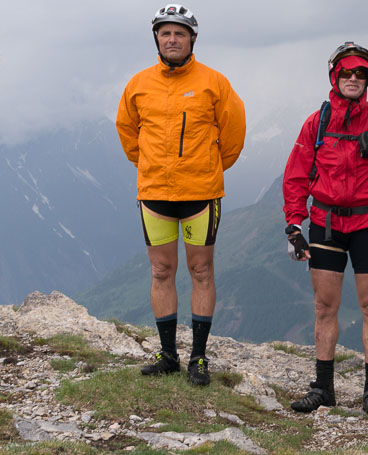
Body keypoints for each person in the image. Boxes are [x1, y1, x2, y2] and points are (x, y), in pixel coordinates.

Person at [282, 42, 368, 417]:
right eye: (347, 73)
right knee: (325, 306)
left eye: (360, 74)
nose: (353, 79)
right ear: (334, 76)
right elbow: (296, 176)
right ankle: (323, 387)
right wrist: (294, 224)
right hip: (325, 224)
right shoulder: (317, 123)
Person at [116, 4, 246, 387]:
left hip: (201, 194)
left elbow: (234, 134)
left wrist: (208, 168)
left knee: (201, 271)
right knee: (161, 270)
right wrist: (151, 167)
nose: (172, 39)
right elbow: (128, 133)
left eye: (179, 33)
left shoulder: (214, 82)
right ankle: (168, 354)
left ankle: (199, 358)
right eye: (165, 33)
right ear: (156, 38)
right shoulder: (138, 84)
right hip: (155, 192)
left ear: (192, 39)